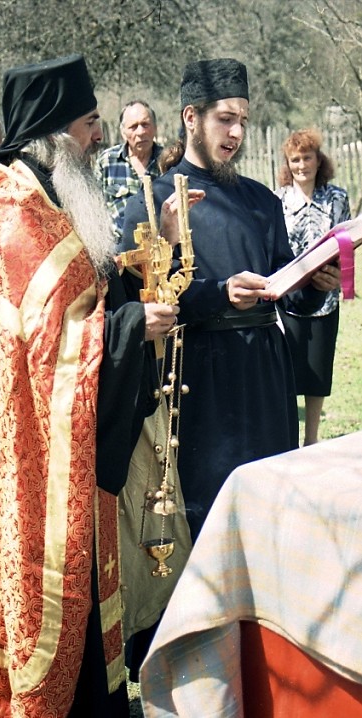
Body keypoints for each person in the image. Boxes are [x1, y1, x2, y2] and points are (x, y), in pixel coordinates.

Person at [0, 54, 179, 718]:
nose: (99, 136)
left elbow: (88, 295)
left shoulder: (49, 196)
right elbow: (51, 353)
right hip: (34, 461)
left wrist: (143, 275)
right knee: (51, 595)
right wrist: (131, 329)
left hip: (69, 451)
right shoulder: (16, 219)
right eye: (88, 123)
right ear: (52, 131)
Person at [122, 58, 341, 544]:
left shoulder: (262, 201)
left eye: (243, 119)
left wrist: (314, 284)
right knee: (208, 517)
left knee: (271, 507)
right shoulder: (153, 202)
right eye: (225, 118)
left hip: (266, 373)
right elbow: (138, 298)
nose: (237, 132)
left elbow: (284, 283)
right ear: (191, 117)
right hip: (197, 378)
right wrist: (220, 293)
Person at [275, 129, 351, 445]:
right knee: (288, 371)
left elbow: (346, 245)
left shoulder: (337, 198)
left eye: (307, 158)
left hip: (325, 296)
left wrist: (339, 276)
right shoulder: (277, 200)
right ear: (287, 164)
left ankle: (311, 439)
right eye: (295, 159)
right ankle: (289, 438)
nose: (302, 165)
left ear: (319, 160)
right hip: (289, 299)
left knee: (318, 372)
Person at [95, 100, 163, 243]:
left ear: (155, 128)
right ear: (123, 132)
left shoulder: (168, 161)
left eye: (145, 124)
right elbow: (95, 209)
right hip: (118, 248)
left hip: (161, 248)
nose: (141, 132)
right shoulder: (107, 161)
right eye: (133, 127)